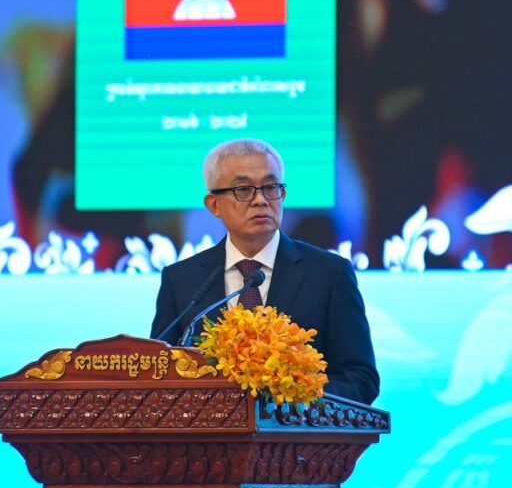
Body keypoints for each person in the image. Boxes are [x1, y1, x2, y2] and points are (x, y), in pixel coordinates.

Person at [150, 138, 379, 405]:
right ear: (214, 205)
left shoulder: (330, 274)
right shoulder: (181, 280)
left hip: (298, 430)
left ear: (283, 195)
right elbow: (157, 375)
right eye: (243, 190)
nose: (260, 200)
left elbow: (360, 379)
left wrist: (294, 397)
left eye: (270, 188)